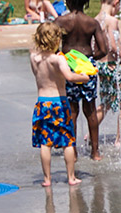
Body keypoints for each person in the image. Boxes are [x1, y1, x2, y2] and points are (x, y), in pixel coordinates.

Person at [30, 21, 90, 188]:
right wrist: (84, 77)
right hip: (59, 103)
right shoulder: (58, 60)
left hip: (42, 103)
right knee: (67, 141)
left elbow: (38, 73)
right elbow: (70, 77)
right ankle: (71, 177)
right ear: (57, 40)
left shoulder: (34, 58)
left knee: (45, 142)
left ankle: (47, 179)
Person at [56, 0, 108, 160]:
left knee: (72, 110)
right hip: (87, 67)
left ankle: (73, 152)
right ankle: (95, 152)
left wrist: (64, 59)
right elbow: (103, 49)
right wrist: (88, 60)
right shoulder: (92, 23)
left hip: (69, 65)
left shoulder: (60, 22)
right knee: (90, 109)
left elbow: (51, 44)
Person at [95, 0, 121, 148]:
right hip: (113, 65)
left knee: (106, 102)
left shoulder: (96, 19)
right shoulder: (112, 20)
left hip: (102, 65)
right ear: (115, 2)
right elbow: (113, 45)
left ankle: (91, 134)